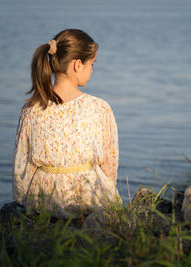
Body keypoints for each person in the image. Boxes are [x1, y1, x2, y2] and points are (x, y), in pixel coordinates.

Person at [12, 29, 122, 219]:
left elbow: (22, 166)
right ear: (77, 65)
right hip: (89, 195)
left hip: (44, 198)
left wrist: (23, 200)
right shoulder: (99, 108)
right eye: (92, 64)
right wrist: (108, 190)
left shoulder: (31, 110)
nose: (92, 71)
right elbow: (109, 164)